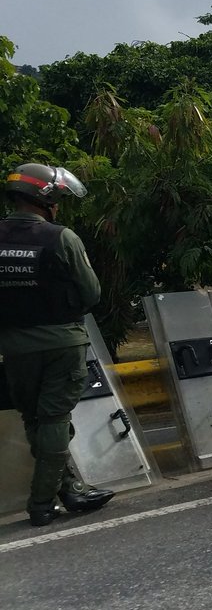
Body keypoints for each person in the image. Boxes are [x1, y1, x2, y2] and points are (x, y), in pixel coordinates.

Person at [0, 162, 113, 528]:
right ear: (45, 199)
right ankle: (42, 502)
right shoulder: (61, 238)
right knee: (54, 420)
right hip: (61, 341)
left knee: (35, 418)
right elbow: (91, 293)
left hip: (14, 345)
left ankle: (70, 488)